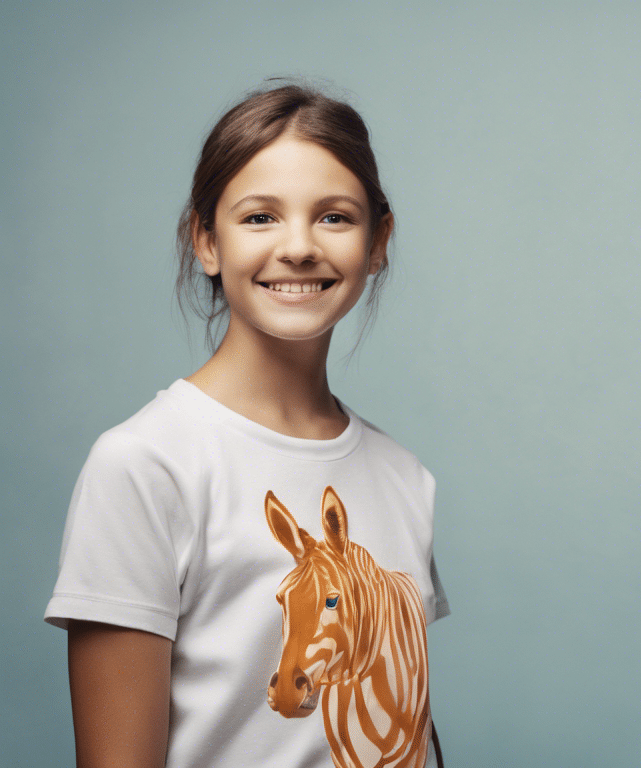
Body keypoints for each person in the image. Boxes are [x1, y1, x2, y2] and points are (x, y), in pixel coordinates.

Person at [46, 83, 449, 767]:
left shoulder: (404, 476)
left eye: (334, 217)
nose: (297, 247)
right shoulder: (144, 466)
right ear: (206, 240)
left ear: (379, 242)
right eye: (260, 217)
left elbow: (403, 730)